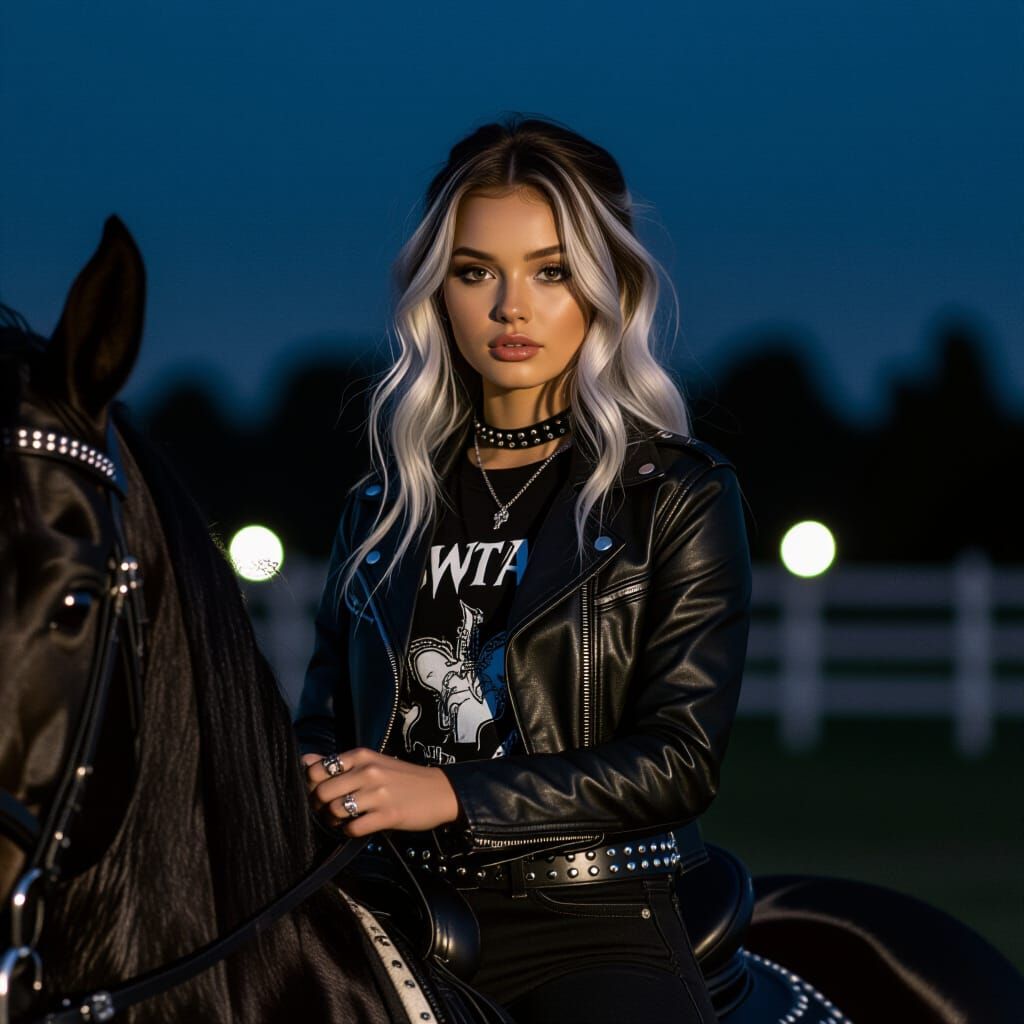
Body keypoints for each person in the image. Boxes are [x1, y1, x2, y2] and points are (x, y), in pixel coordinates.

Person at [293, 114, 752, 1024]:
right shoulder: (382, 506)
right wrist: (311, 769)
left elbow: (678, 759)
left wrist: (451, 795)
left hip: (587, 919)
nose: (511, 307)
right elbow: (324, 717)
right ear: (438, 291)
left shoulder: (676, 495)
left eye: (550, 271)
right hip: (388, 909)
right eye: (476, 272)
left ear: (607, 285)